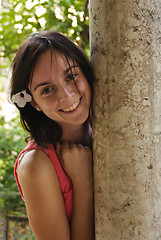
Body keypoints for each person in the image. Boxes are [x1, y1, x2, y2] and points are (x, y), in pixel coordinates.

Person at [10, 30, 94, 240]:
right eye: (47, 90)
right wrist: (83, 185)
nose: (67, 95)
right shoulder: (36, 165)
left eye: (71, 76)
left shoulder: (116, 129)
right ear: (34, 102)